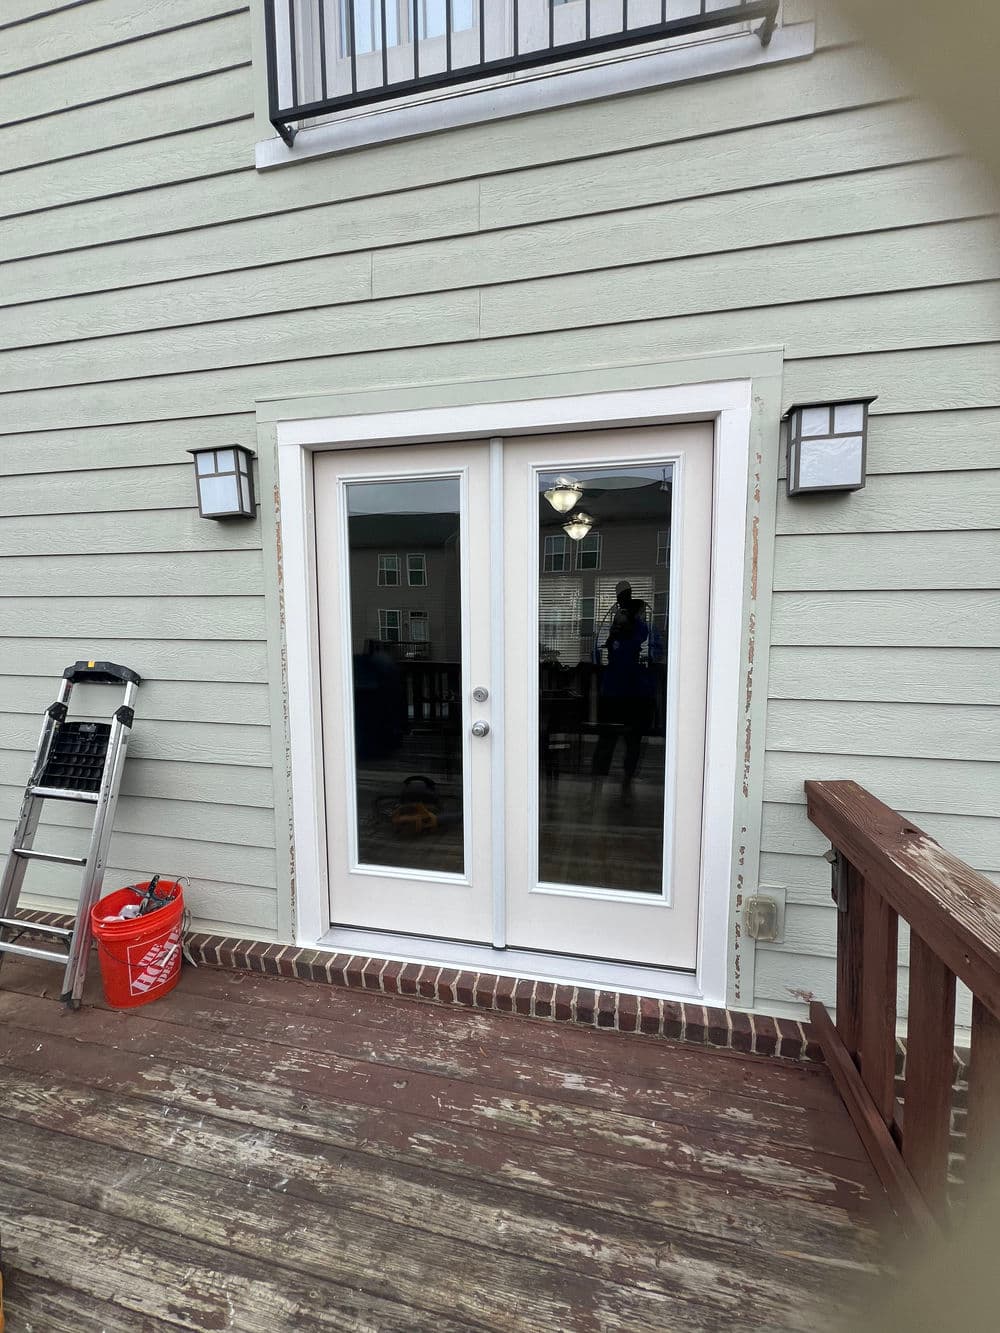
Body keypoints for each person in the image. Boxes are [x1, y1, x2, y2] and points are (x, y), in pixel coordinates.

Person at [591, 581, 655, 795]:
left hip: (632, 691)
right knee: (607, 740)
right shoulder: (616, 624)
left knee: (633, 740)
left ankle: (626, 783)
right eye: (621, 597)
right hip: (614, 690)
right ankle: (596, 789)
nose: (623, 601)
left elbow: (645, 637)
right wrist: (615, 632)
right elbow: (606, 645)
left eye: (626, 596)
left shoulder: (638, 623)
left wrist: (631, 621)